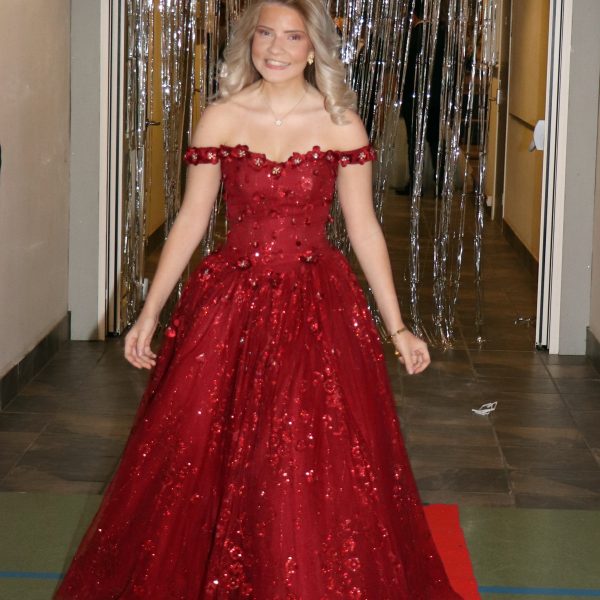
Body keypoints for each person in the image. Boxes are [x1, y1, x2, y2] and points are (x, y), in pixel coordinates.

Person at [54, 1, 463, 597]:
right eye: (265, 34)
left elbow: (364, 227)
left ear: (314, 48)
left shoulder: (341, 123)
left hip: (316, 306)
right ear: (248, 40)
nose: (276, 48)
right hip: (229, 306)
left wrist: (397, 326)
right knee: (201, 448)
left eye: (293, 37)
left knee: (301, 449)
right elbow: (192, 219)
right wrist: (149, 311)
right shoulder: (221, 117)